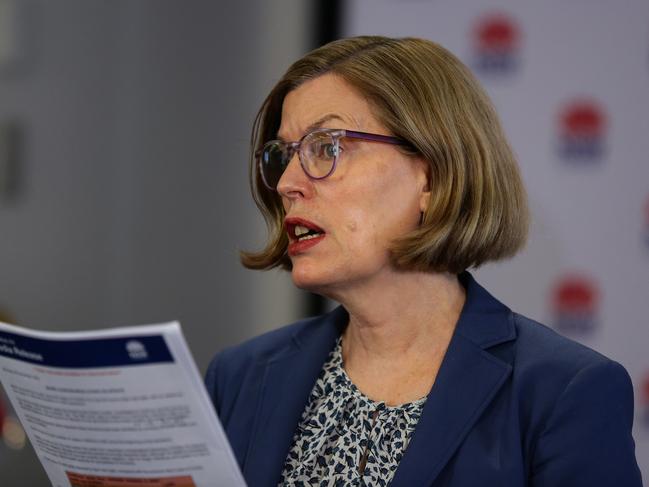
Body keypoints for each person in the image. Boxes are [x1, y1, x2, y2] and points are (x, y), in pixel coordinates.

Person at [205, 36, 642, 486]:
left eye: (326, 147)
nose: (287, 183)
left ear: (432, 175)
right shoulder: (239, 378)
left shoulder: (563, 393)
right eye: (283, 156)